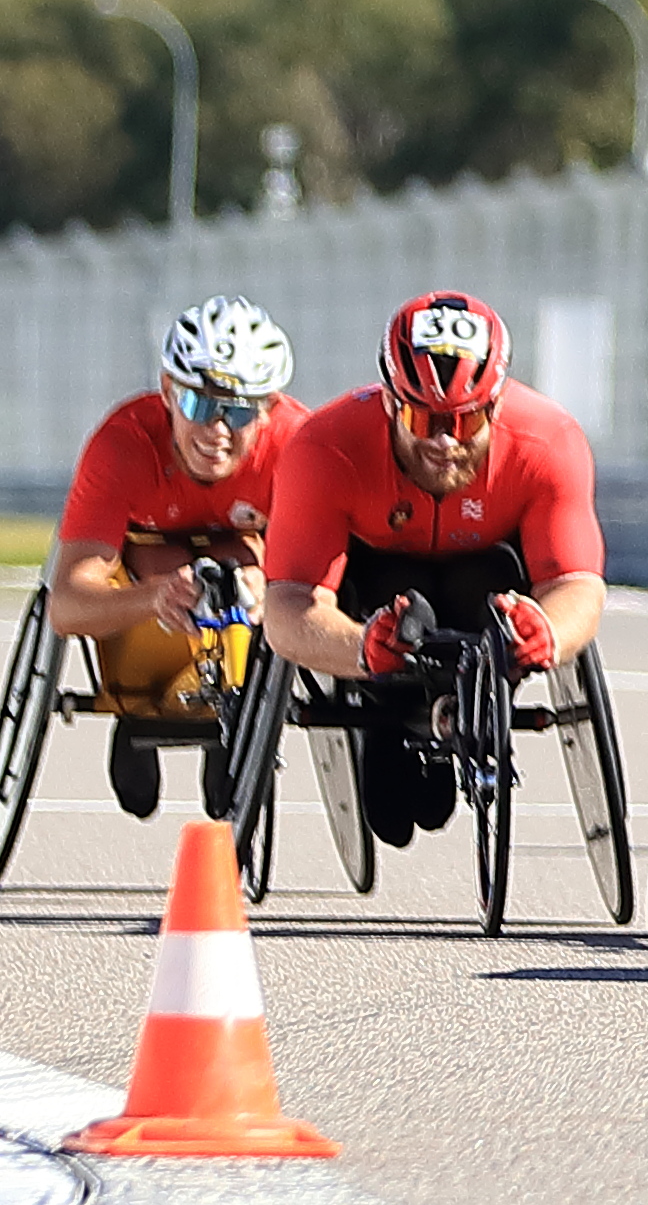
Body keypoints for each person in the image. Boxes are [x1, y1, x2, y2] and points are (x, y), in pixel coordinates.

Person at [259, 291, 608, 846]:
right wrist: (358, 649)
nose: (445, 443)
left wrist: (548, 631)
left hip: (484, 583)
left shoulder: (548, 442)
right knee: (391, 816)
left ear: (497, 405)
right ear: (388, 402)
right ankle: (390, 710)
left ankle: (462, 709)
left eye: (467, 422)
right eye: (422, 419)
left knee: (486, 577)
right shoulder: (324, 447)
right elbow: (287, 607)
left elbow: (576, 584)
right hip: (379, 588)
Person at [45, 294, 309, 820]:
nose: (217, 432)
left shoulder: (296, 444)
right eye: (199, 406)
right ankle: (139, 700)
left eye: (238, 411)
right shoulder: (123, 443)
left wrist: (270, 587)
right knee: (163, 560)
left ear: (268, 408)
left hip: (240, 549)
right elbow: (67, 603)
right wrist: (155, 598)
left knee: (241, 566)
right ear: (167, 391)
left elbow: (316, 573)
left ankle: (232, 703)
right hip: (150, 555)